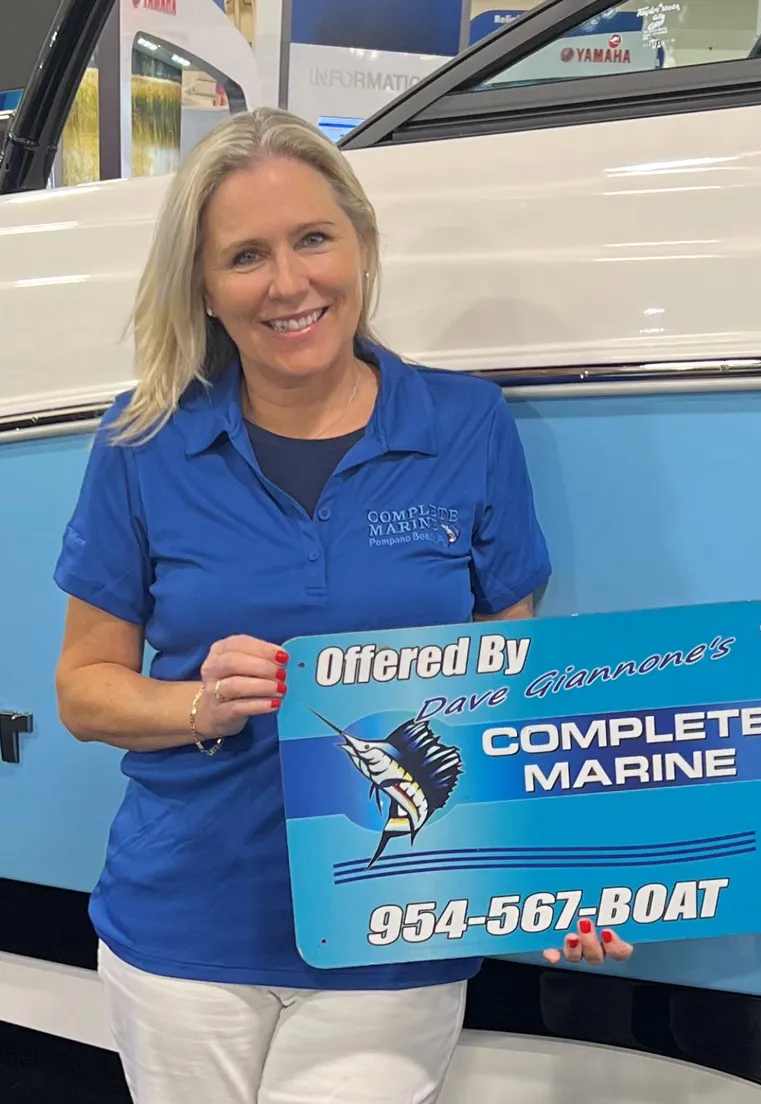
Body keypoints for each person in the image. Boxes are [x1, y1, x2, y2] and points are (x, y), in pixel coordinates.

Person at [53, 107, 632, 1104]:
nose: (288, 283)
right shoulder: (140, 443)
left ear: (359, 243)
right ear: (202, 283)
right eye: (244, 255)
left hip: (393, 931)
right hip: (187, 932)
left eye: (312, 238)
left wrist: (558, 883)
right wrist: (199, 701)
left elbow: (510, 698)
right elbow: (81, 693)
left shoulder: (465, 426)